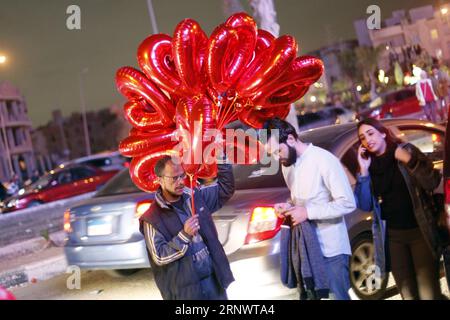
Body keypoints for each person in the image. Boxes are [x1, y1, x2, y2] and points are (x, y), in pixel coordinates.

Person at [264, 118, 356, 300]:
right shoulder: (287, 167)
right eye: (272, 154)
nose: (277, 158)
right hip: (305, 249)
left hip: (332, 251)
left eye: (277, 151)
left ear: (290, 139)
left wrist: (307, 212)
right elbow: (300, 200)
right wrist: (288, 207)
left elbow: (347, 202)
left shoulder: (324, 159)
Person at [354, 118, 443, 300]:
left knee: (428, 293)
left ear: (383, 133)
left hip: (419, 231)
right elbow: (365, 205)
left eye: (370, 133)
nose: (367, 140)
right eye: (362, 138)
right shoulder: (369, 166)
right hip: (393, 238)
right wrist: (363, 172)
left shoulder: (405, 151)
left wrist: (409, 161)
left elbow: (432, 181)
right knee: (407, 293)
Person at [139, 155, 235, 300]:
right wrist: (184, 235)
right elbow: (159, 256)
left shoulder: (195, 196)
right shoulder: (152, 218)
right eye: (174, 178)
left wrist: (221, 157)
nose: (180, 182)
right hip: (186, 292)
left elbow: (225, 189)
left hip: (214, 281)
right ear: (160, 180)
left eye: (182, 176)